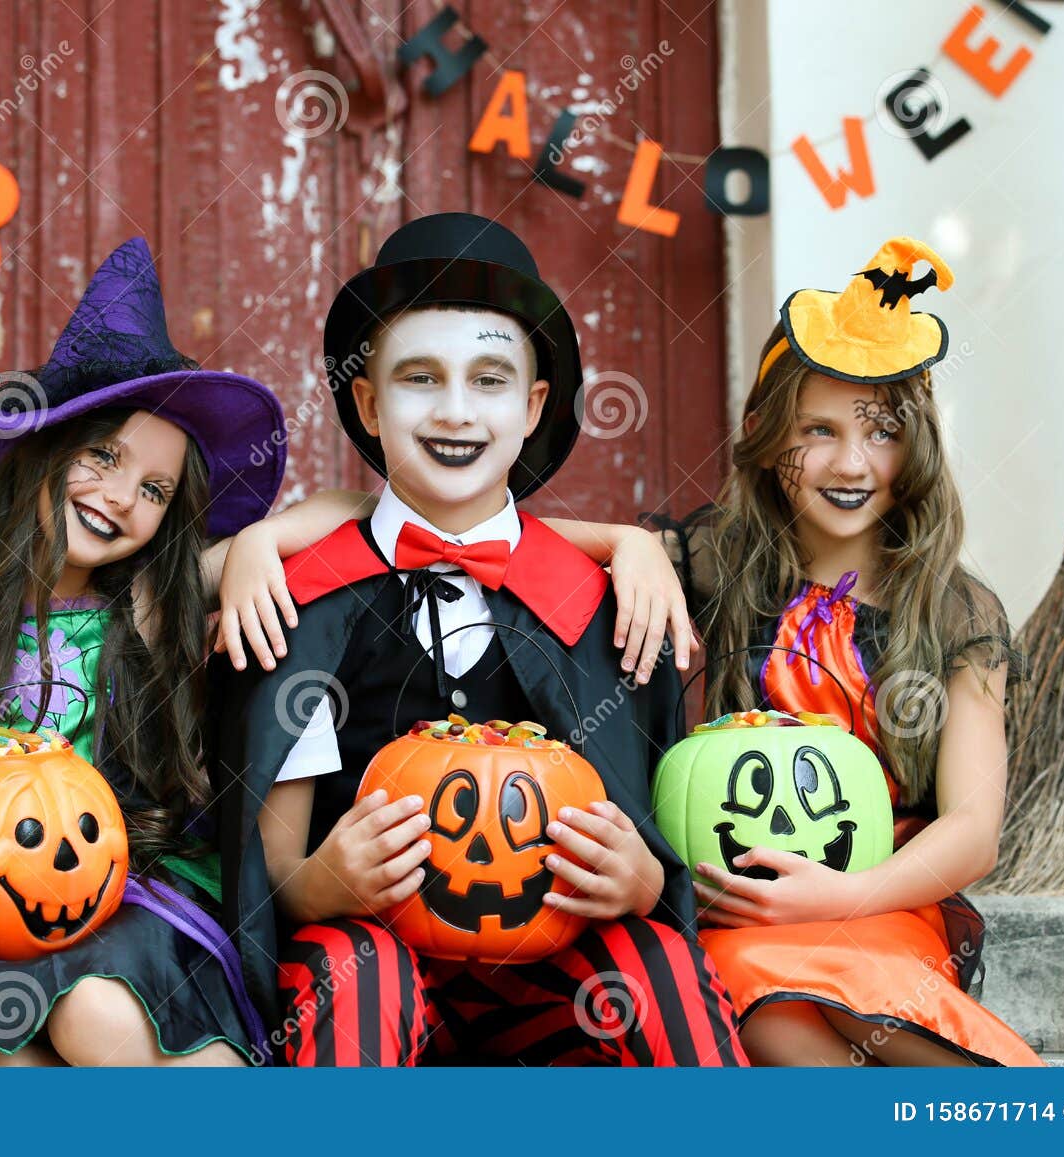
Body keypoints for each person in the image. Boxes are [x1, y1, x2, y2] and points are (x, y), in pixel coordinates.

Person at [215, 212, 747, 1067]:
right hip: (366, 975)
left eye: (490, 379)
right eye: (419, 378)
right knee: (359, 974)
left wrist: (643, 880)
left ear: (534, 406)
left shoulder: (605, 605)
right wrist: (328, 881)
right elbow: (274, 871)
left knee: (654, 967)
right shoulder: (304, 602)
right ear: (367, 401)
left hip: (548, 987)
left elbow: (649, 839)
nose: (456, 410)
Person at [0, 237, 299, 1066]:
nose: (121, 496)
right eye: (104, 455)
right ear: (38, 450)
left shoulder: (147, 603)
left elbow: (351, 505)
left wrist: (258, 545)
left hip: (129, 919)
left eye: (154, 490)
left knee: (99, 1017)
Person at [652, 238, 1042, 1066]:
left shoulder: (955, 608)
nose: (852, 461)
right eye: (818, 431)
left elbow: (974, 828)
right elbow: (527, 545)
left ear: (917, 447)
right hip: (750, 900)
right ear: (766, 440)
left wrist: (848, 889)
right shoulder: (720, 564)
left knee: (830, 999)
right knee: (753, 988)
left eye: (881, 432)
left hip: (884, 894)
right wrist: (624, 544)